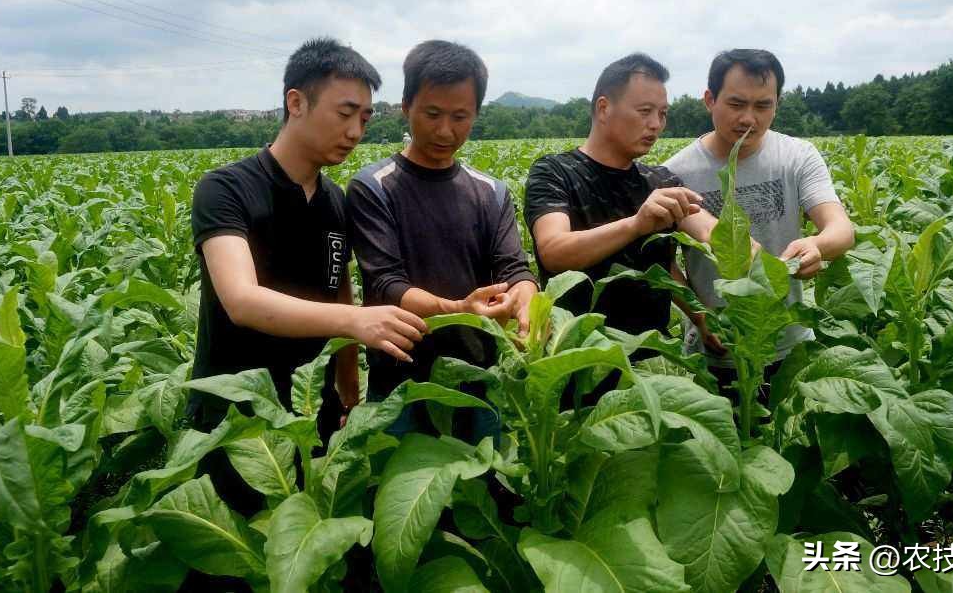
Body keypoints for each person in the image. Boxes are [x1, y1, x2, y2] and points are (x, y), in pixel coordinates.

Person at [189, 37, 428, 516]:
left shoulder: (335, 202)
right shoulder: (226, 189)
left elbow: (340, 293)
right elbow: (242, 300)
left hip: (310, 411)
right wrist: (356, 321)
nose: (356, 130)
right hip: (236, 422)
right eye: (345, 112)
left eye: (365, 117)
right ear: (295, 103)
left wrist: (350, 398)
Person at [347, 40, 538, 441]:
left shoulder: (491, 191)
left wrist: (524, 300)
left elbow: (514, 268)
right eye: (432, 114)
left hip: (476, 379)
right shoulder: (374, 187)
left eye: (460, 116)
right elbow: (386, 283)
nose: (445, 130)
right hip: (399, 384)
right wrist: (456, 310)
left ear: (476, 115)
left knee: (485, 497)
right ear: (406, 107)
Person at [662, 48, 854, 361]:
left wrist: (818, 246)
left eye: (763, 105)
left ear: (777, 105)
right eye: (736, 104)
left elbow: (841, 229)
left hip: (789, 343)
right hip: (718, 346)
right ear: (710, 99)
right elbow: (661, 263)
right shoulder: (675, 172)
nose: (748, 118)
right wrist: (699, 316)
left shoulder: (797, 157)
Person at [525, 53, 715, 337]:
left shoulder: (661, 181)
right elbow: (554, 251)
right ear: (604, 108)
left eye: (663, 113)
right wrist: (636, 224)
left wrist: (700, 318)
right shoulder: (556, 172)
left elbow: (666, 267)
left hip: (653, 355)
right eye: (645, 111)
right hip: (578, 355)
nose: (656, 124)